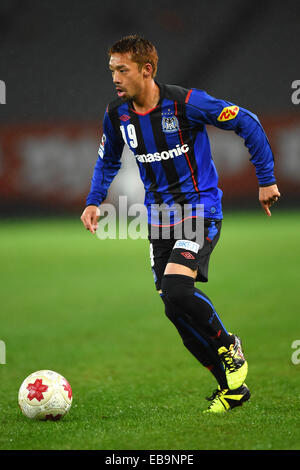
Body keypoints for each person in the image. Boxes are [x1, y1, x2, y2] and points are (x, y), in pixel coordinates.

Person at [80, 35, 280, 413]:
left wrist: (266, 178)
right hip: (159, 220)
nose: (115, 78)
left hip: (198, 211)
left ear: (147, 70)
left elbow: (247, 122)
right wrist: (94, 201)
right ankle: (232, 390)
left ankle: (228, 344)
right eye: (112, 70)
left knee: (176, 290)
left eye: (122, 70)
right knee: (174, 309)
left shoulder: (186, 103)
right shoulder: (116, 114)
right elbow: (107, 160)